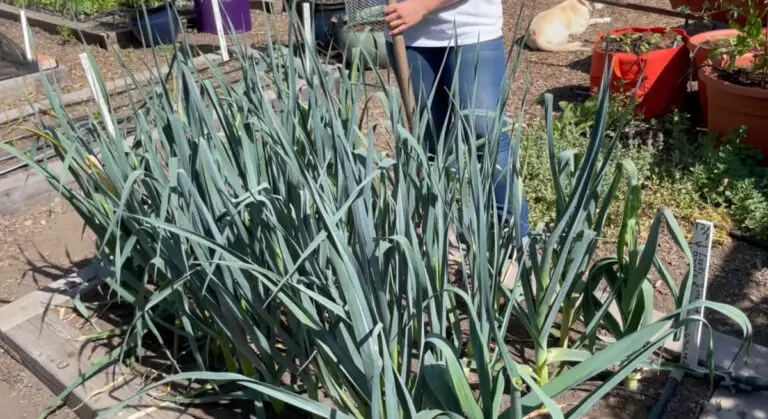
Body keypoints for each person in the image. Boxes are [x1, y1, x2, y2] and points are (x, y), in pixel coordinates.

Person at [383, 0, 531, 241]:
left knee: (485, 133)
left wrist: (421, 6)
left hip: (471, 27)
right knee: (430, 140)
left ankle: (514, 236)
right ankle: (442, 236)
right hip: (408, 35)